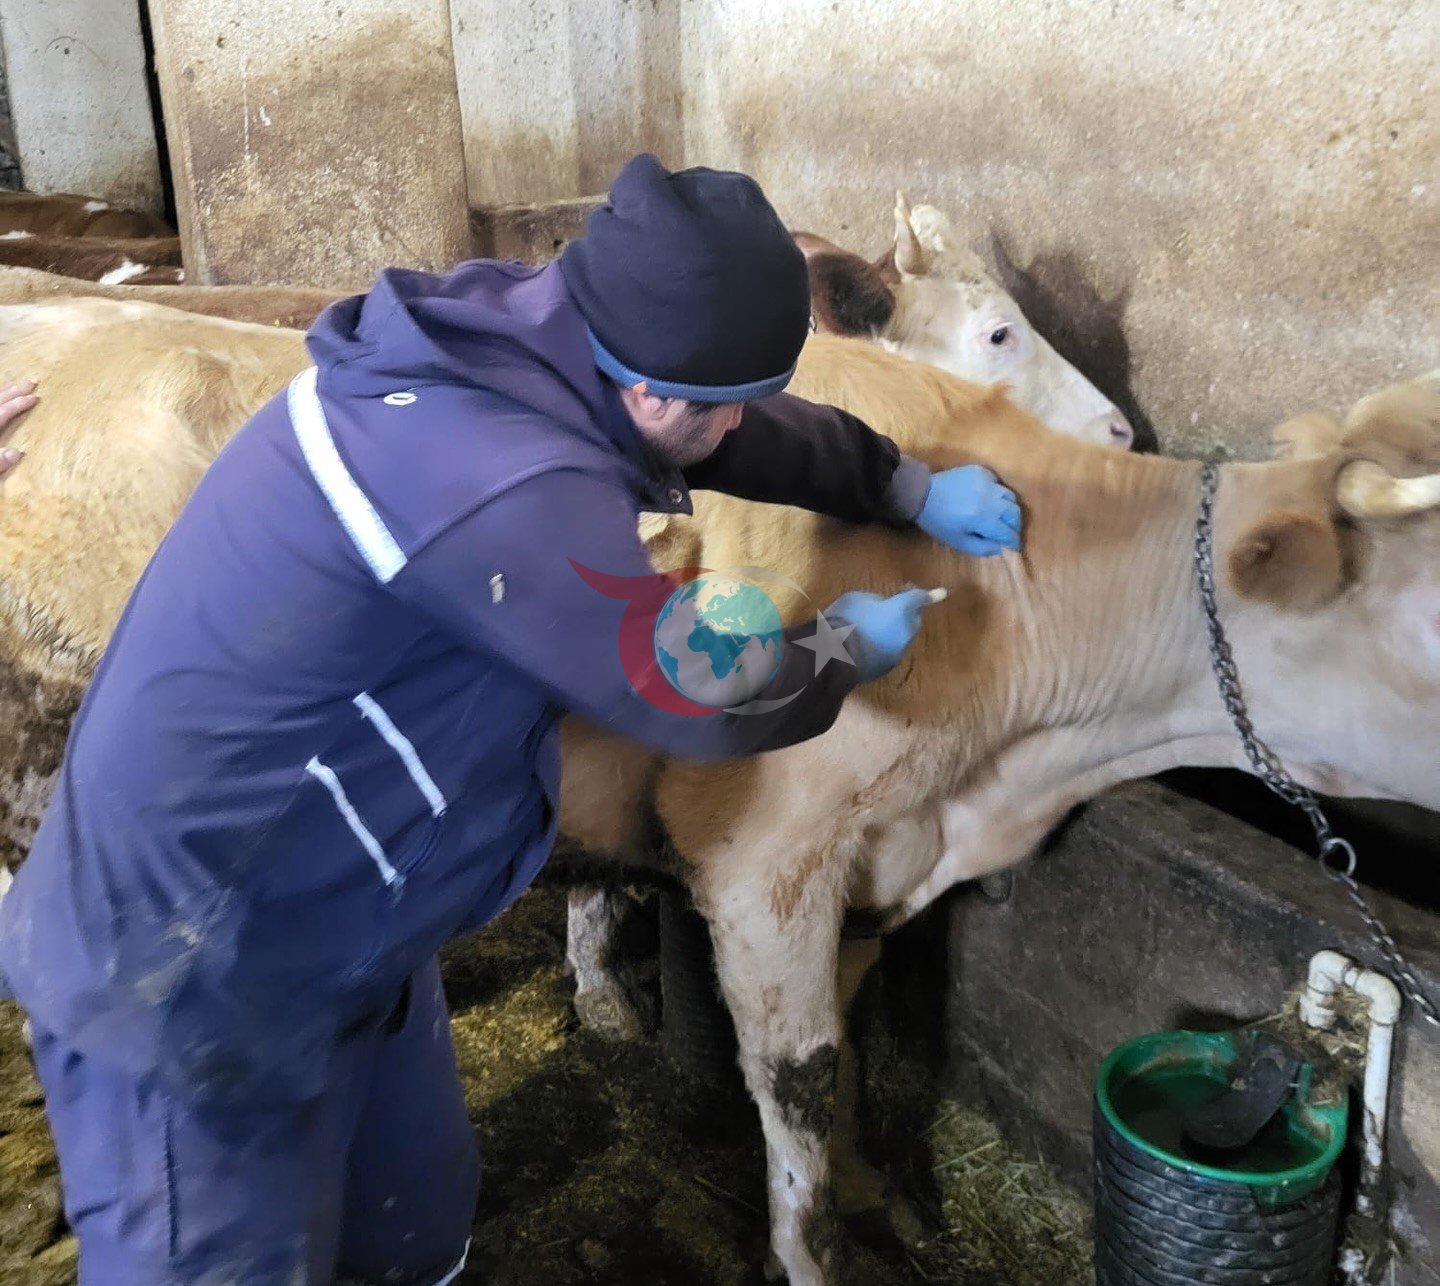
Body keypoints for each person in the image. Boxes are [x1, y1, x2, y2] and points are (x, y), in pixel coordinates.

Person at [0, 155, 1021, 1285]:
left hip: (353, 917)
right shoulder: (501, 478)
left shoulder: (545, 328)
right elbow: (689, 685)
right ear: (653, 392)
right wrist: (841, 648)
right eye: (724, 400)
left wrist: (898, 484)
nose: (740, 421)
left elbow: (728, 424)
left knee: (417, 1226)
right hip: (192, 967)